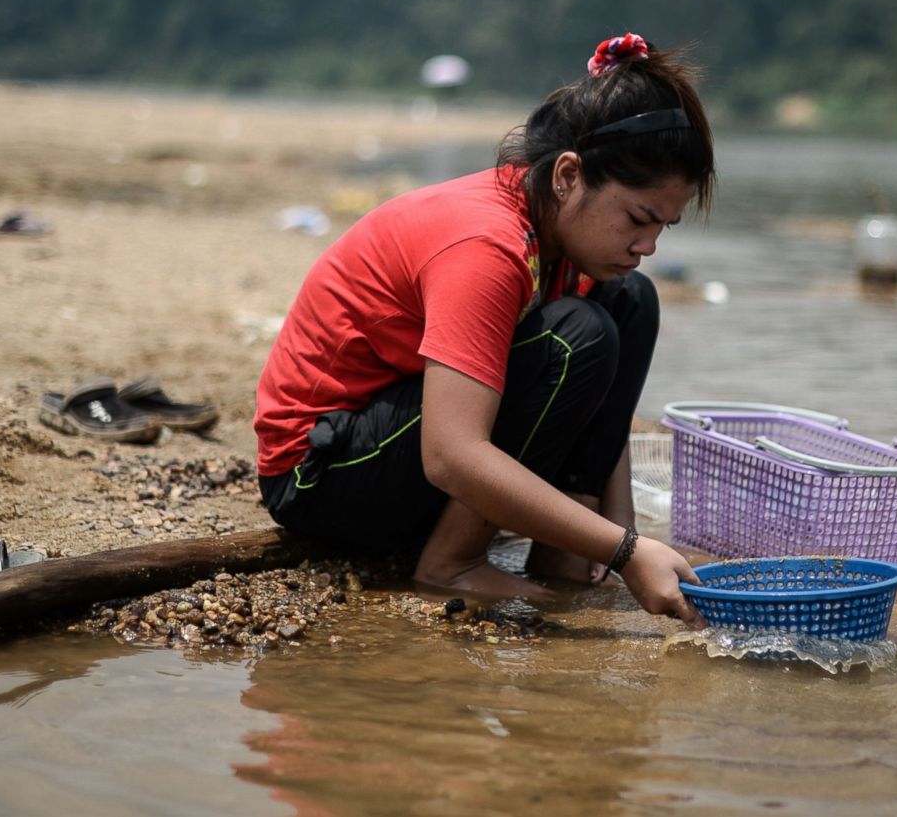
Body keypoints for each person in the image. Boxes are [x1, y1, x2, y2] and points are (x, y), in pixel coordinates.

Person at [255, 33, 711, 626]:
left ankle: (564, 551)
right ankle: (451, 561)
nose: (646, 246)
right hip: (321, 473)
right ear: (568, 175)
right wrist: (626, 554)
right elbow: (450, 455)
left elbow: (603, 409)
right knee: (577, 336)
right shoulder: (486, 245)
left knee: (629, 300)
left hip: (397, 443)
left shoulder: (562, 232)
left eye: (664, 229)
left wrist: (618, 534)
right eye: (638, 219)